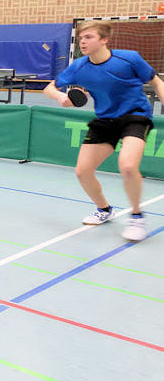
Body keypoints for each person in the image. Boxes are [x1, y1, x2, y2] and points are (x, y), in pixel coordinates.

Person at [44, 20, 164, 242]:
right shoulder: (79, 66)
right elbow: (49, 88)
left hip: (135, 116)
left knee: (127, 166)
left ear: (104, 40)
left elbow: (156, 82)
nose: (83, 41)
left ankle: (137, 217)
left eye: (89, 37)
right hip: (105, 119)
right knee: (83, 171)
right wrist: (60, 96)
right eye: (81, 38)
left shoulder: (129, 59)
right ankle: (104, 210)